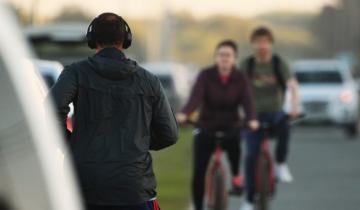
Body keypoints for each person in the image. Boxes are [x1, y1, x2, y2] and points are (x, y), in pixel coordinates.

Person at [47, 13, 178, 210]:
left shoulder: (75, 73)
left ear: (92, 40)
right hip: (135, 190)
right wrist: (137, 141)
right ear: (125, 40)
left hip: (84, 187)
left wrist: (73, 142)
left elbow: (49, 114)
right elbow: (169, 134)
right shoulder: (149, 80)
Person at [176, 40, 259, 210]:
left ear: (235, 59)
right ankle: (198, 206)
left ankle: (236, 177)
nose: (224, 59)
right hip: (206, 126)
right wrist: (185, 113)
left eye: (228, 55)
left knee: (235, 145)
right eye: (221, 55)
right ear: (216, 58)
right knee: (199, 172)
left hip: (231, 126)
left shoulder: (240, 78)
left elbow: (248, 101)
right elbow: (195, 98)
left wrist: (251, 118)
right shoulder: (205, 75)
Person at [240, 27, 300, 210]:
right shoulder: (247, 64)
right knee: (251, 156)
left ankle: (281, 164)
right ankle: (249, 199)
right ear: (252, 44)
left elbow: (292, 85)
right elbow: (237, 88)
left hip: (275, 112)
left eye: (265, 41)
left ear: (271, 44)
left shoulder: (278, 63)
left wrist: (295, 107)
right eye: (258, 41)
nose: (262, 45)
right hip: (252, 116)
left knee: (285, 124)